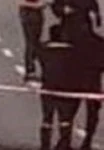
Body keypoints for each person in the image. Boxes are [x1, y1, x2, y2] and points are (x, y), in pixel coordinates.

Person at [39, 22, 84, 150]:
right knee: (65, 120)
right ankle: (64, 144)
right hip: (67, 89)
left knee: (47, 119)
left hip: (48, 88)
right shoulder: (73, 52)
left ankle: (45, 144)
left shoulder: (43, 50)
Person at [18, 0, 46, 81]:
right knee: (31, 43)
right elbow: (21, 2)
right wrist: (37, 5)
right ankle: (29, 70)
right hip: (29, 17)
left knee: (36, 43)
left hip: (37, 17)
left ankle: (32, 68)